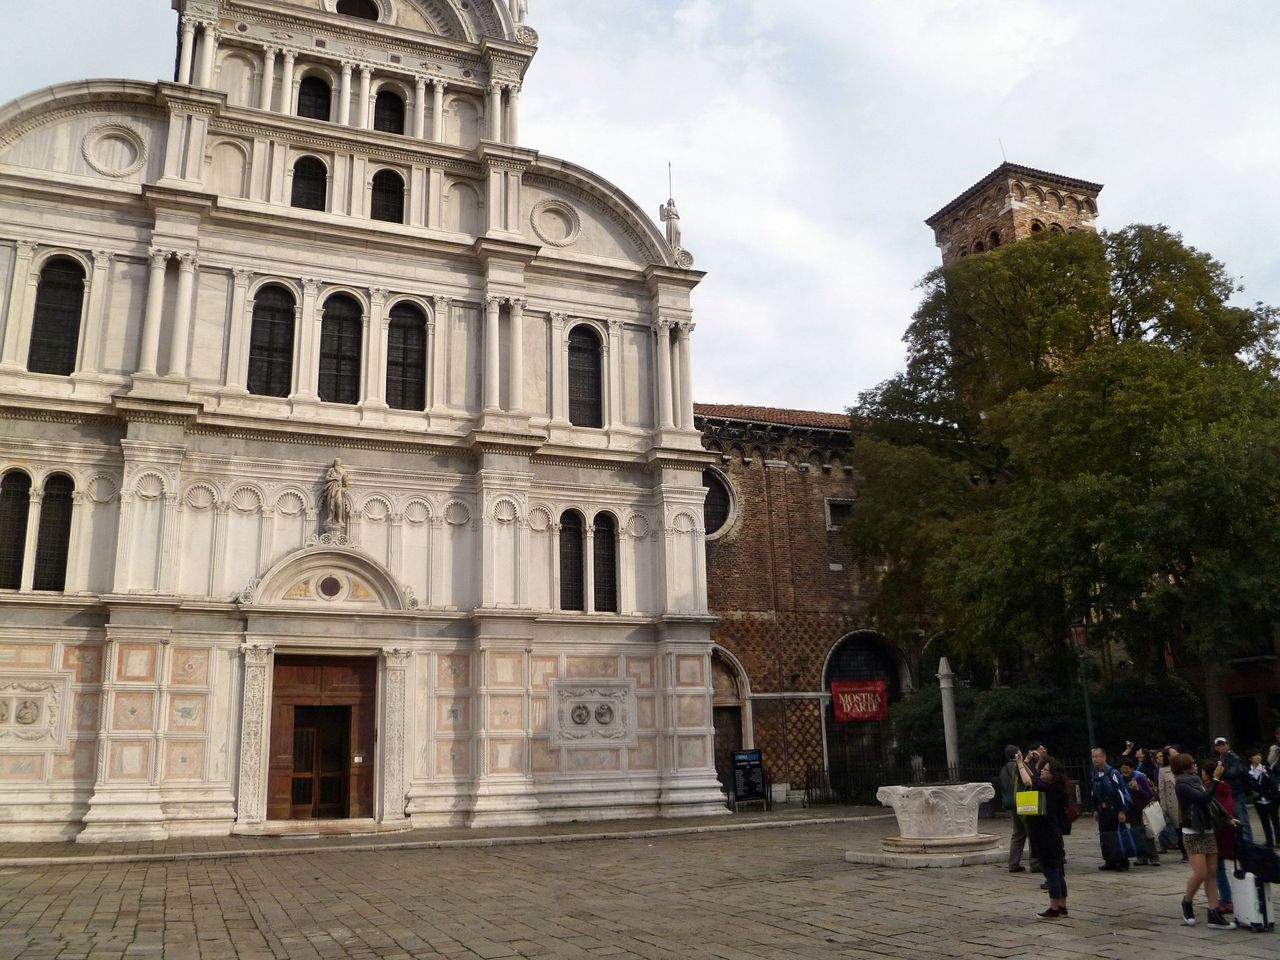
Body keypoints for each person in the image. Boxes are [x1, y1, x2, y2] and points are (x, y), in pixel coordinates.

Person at [1172, 752, 1233, 929]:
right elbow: (1203, 799)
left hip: (1207, 829)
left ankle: (1213, 913)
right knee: (1201, 873)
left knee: (1212, 873)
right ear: (1184, 767)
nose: (1196, 766)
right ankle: (1187, 901)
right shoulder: (1182, 785)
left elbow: (1211, 802)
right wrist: (1215, 778)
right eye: (1192, 763)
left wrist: (1227, 817)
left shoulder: (1196, 781)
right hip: (1192, 831)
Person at [1013, 750, 1071, 919]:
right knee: (1058, 871)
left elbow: (1029, 781)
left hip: (1045, 834)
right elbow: (1035, 778)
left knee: (1051, 871)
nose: (1042, 772)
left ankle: (1053, 908)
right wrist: (1027, 763)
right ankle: (1062, 906)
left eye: (1045, 771)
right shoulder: (1055, 788)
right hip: (1053, 834)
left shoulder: (1048, 789)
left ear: (1052, 775)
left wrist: (1019, 764)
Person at [1091, 747, 1133, 871]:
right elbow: (1094, 792)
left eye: (1097, 756)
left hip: (1113, 808)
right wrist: (1095, 809)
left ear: (1104, 757)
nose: (1095, 759)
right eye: (1093, 757)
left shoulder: (1113, 773)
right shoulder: (1096, 773)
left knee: (1117, 835)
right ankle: (1110, 860)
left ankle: (1123, 861)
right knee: (1105, 836)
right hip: (1102, 809)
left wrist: (1122, 810)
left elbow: (1119, 791)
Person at [1000, 744, 1038, 873]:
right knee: (1031, 831)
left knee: (1017, 834)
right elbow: (1029, 778)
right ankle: (1035, 862)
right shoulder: (1017, 766)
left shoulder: (1003, 769)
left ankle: (1013, 863)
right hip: (1023, 801)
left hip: (1011, 804)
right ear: (1017, 754)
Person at [1118, 757, 1160, 866]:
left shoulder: (1140, 778)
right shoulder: (1120, 779)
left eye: (1127, 768)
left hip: (1144, 810)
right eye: (1122, 768)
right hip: (1132, 811)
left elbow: (1149, 794)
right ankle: (1141, 857)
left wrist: (1138, 789)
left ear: (1132, 769)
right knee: (1136, 834)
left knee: (1148, 834)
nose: (1125, 771)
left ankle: (1154, 857)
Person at [1214, 736, 1253, 842]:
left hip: (1236, 792)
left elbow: (1234, 773)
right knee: (1231, 819)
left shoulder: (1234, 758)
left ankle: (1248, 843)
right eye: (1219, 745)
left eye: (1223, 744)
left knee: (1242, 819)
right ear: (1216, 748)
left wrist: (1221, 772)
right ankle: (1238, 842)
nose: (1221, 747)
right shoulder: (1219, 759)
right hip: (1227, 792)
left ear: (1228, 745)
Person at [1155, 748, 1185, 860]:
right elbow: (1161, 790)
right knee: (1179, 829)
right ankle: (1184, 852)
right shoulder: (1163, 771)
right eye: (1173, 753)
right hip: (1173, 804)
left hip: (1185, 801)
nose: (1177, 753)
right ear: (1168, 756)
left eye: (1177, 751)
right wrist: (1163, 807)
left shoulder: (1184, 767)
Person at [1250, 749, 1279, 848]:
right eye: (1255, 755)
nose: (1258, 757)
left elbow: (1273, 782)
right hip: (1258, 799)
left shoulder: (1266, 768)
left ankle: (1278, 840)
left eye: (1259, 755)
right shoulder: (1248, 771)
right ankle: (1269, 841)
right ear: (1250, 758)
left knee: (1275, 819)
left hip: (1270, 798)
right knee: (1264, 821)